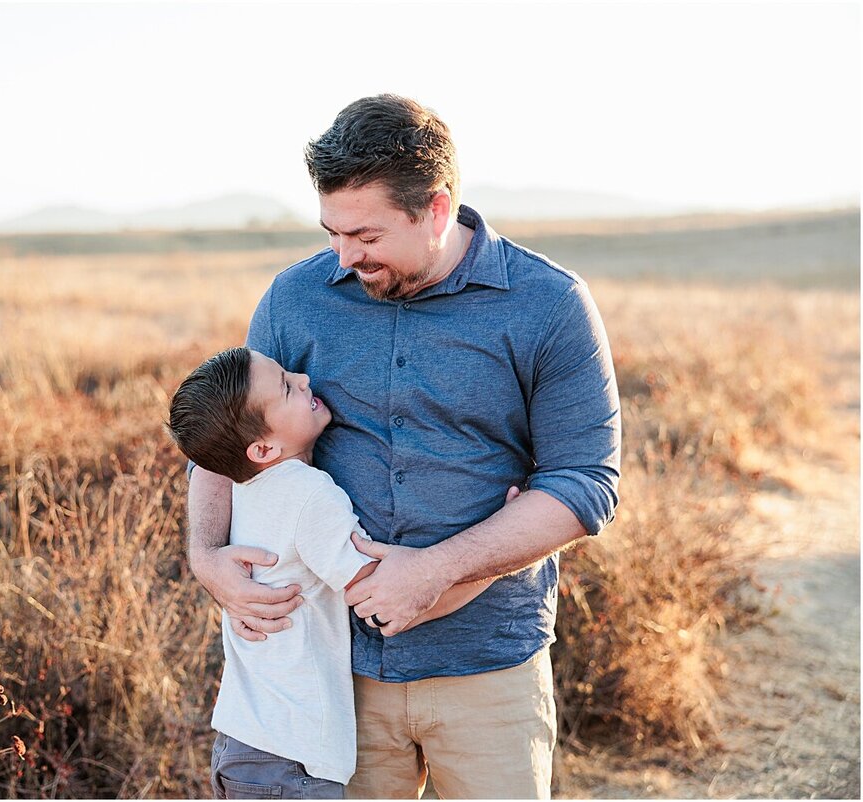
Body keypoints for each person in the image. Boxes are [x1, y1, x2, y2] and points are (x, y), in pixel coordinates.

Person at [186, 94, 621, 799]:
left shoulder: (549, 304)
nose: (344, 256)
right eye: (332, 232)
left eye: (366, 235)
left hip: (488, 667)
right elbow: (227, 438)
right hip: (335, 678)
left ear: (436, 210)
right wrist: (206, 557)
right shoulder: (296, 298)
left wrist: (440, 570)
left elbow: (585, 482)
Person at [168, 346, 494, 799]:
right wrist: (495, 569)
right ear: (263, 448)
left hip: (242, 744)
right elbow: (386, 600)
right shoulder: (308, 495)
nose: (304, 379)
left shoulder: (246, 487)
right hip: (292, 760)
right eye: (286, 387)